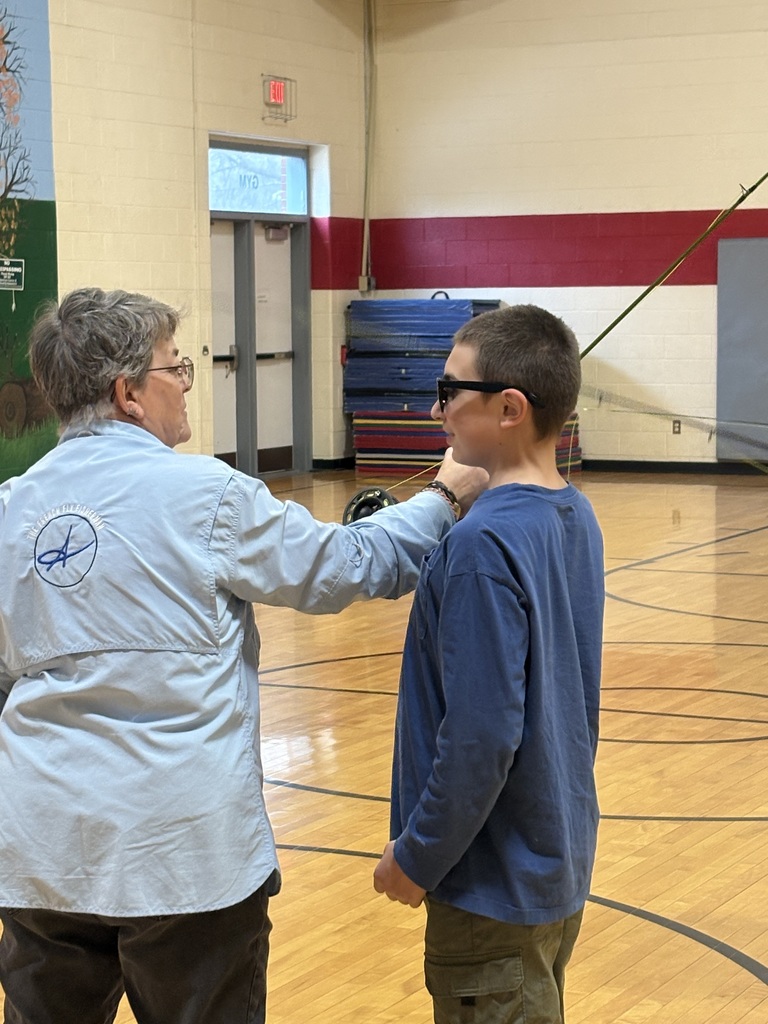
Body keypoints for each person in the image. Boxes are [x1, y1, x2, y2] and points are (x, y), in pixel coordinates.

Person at [0, 287, 486, 1024]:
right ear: (128, 392)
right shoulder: (205, 494)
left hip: (38, 858)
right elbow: (348, 566)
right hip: (183, 859)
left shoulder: (10, 509)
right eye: (177, 368)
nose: (187, 382)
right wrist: (445, 496)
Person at [373, 305, 605, 1024]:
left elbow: (480, 738)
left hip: (488, 885)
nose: (436, 406)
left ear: (509, 408)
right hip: (548, 865)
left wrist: (417, 856)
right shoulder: (575, 512)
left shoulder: (480, 547)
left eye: (450, 390)